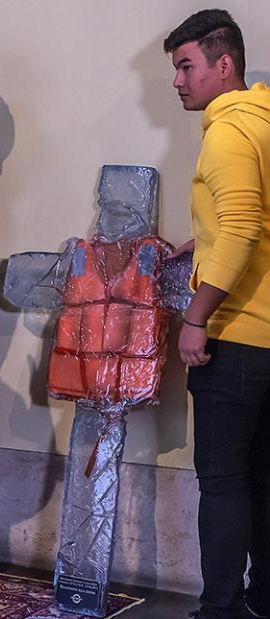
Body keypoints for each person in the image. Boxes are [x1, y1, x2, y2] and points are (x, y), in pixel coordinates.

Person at [164, 9, 270, 619]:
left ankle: (220, 610)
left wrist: (196, 317)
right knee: (261, 478)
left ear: (222, 64)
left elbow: (241, 232)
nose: (178, 80)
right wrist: (199, 243)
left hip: (235, 336)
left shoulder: (227, 132)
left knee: (224, 483)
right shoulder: (262, 121)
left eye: (186, 66)